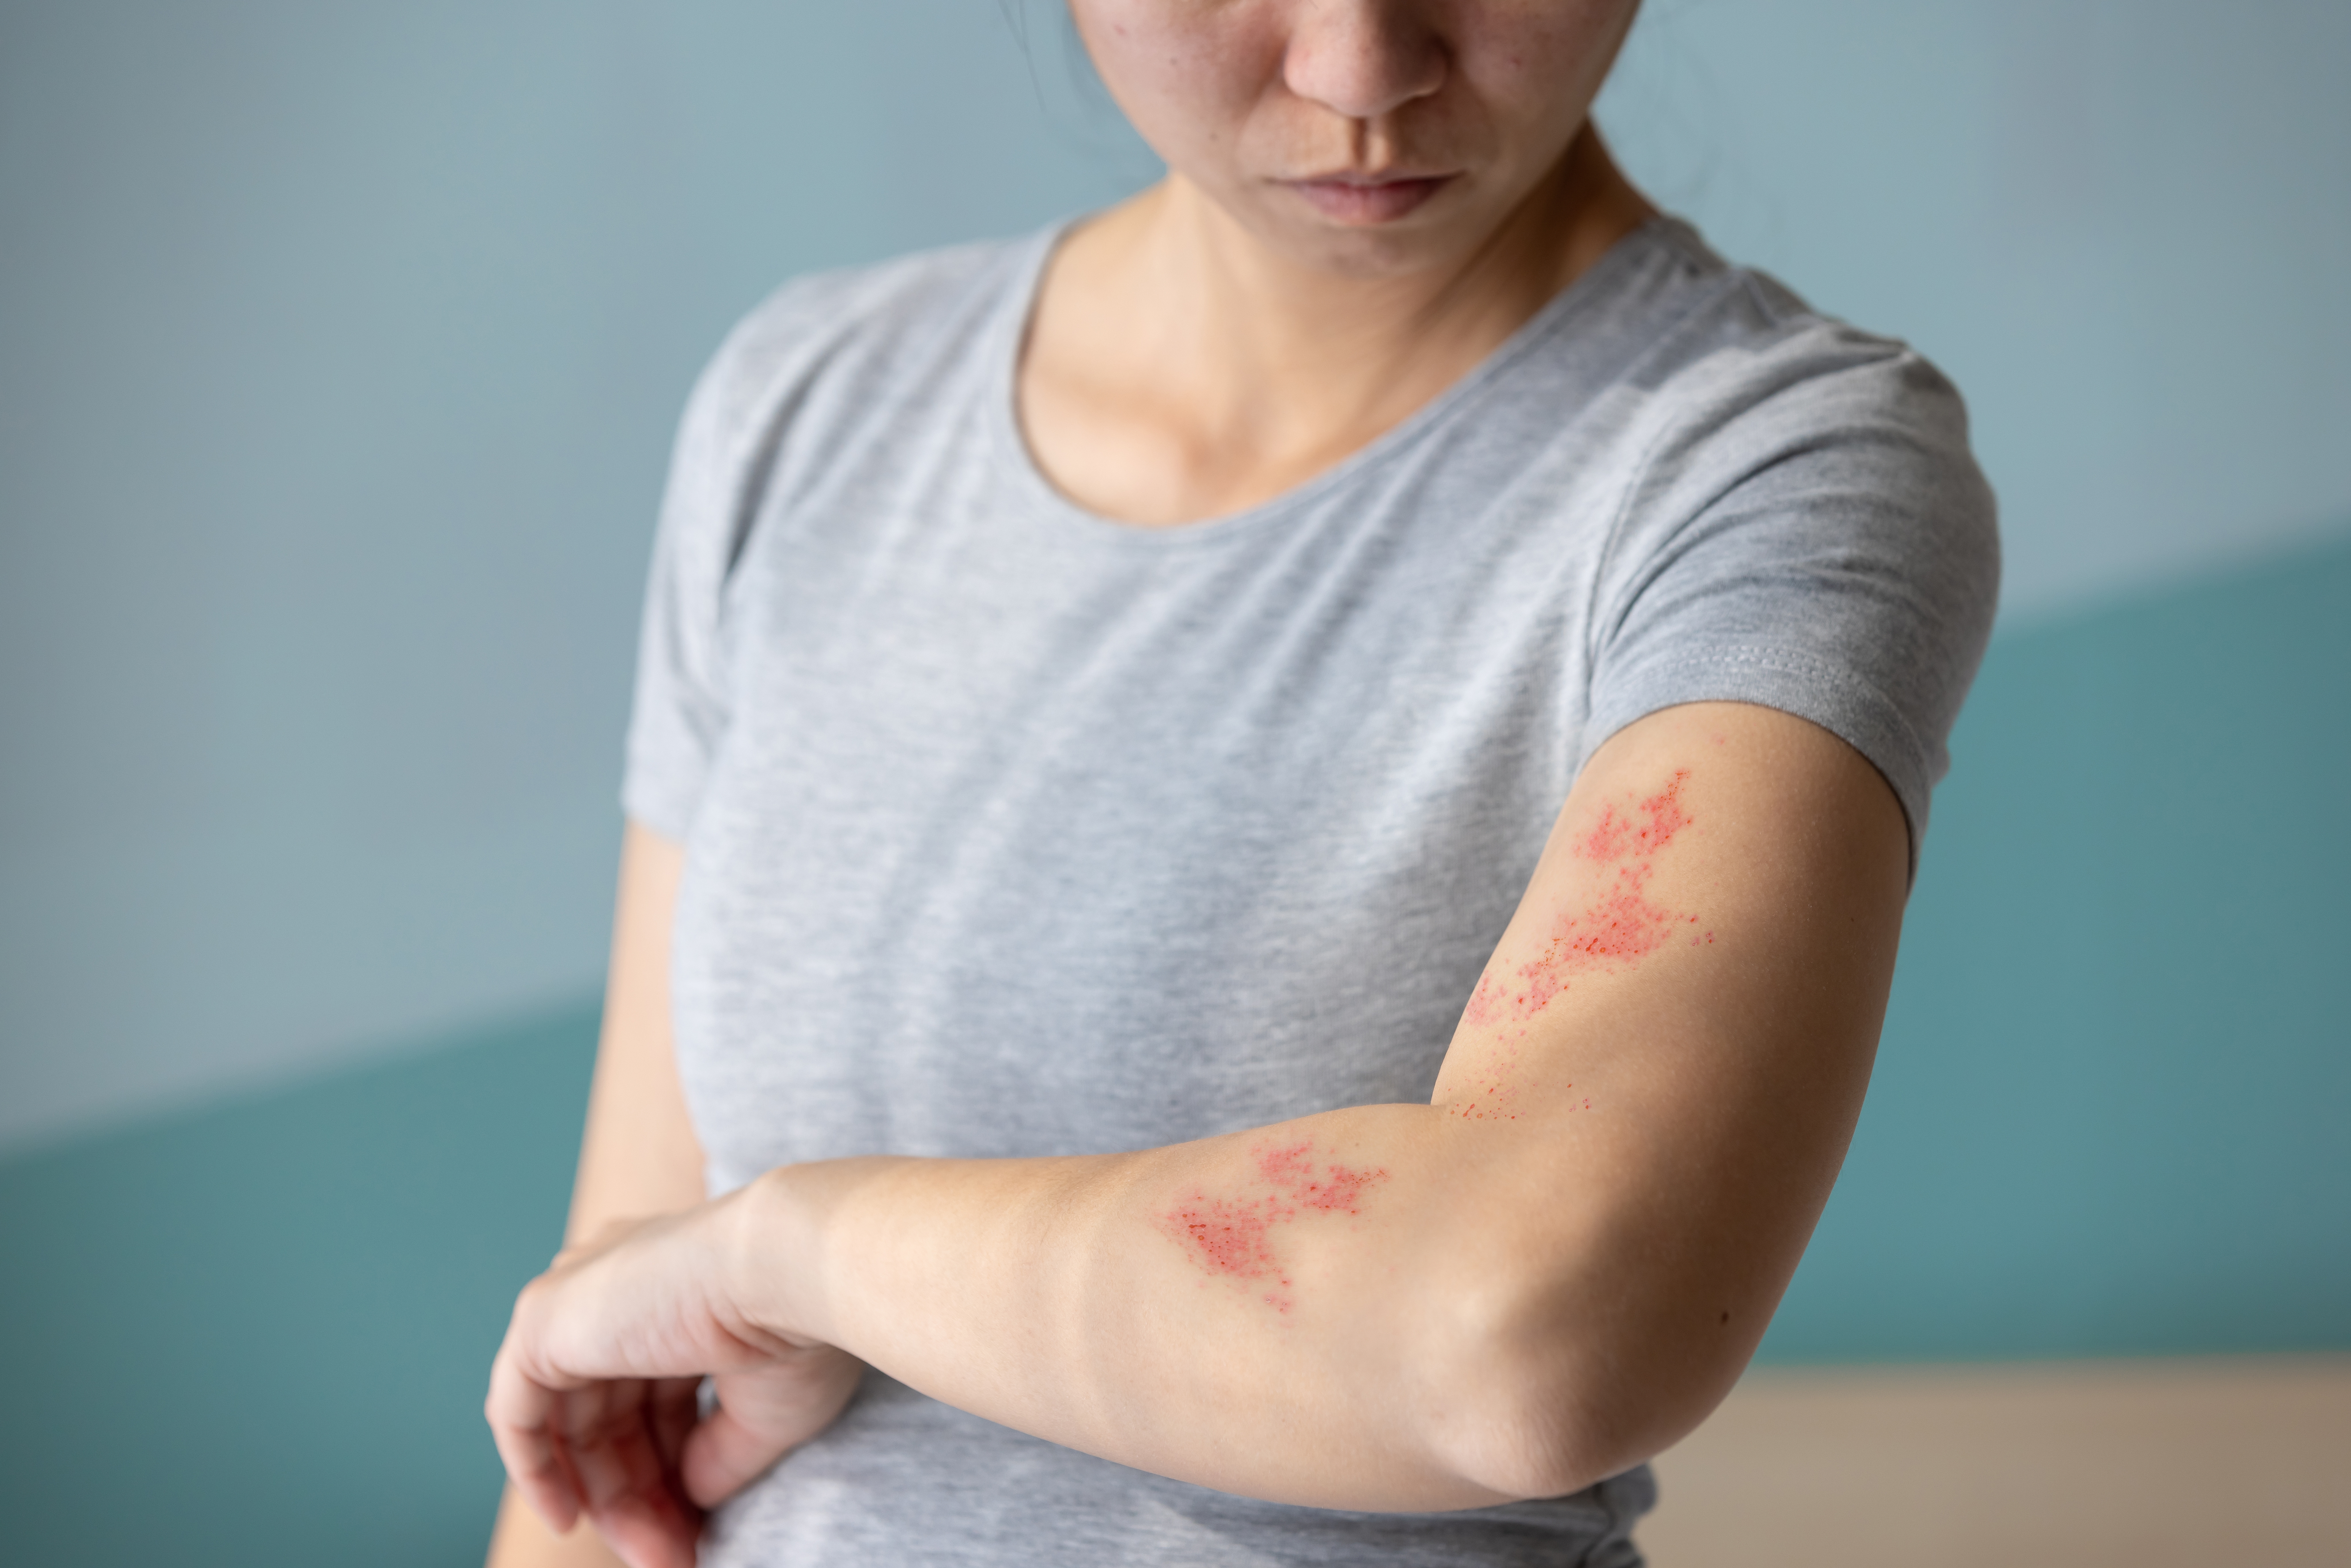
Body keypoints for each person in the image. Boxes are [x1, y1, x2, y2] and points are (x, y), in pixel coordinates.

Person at [483, 2, 1997, 1564]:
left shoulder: (1772, 472)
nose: (1361, 72)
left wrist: (793, 1251)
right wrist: (726, 1269)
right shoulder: (805, 412)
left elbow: (1531, 1331)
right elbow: (611, 1430)